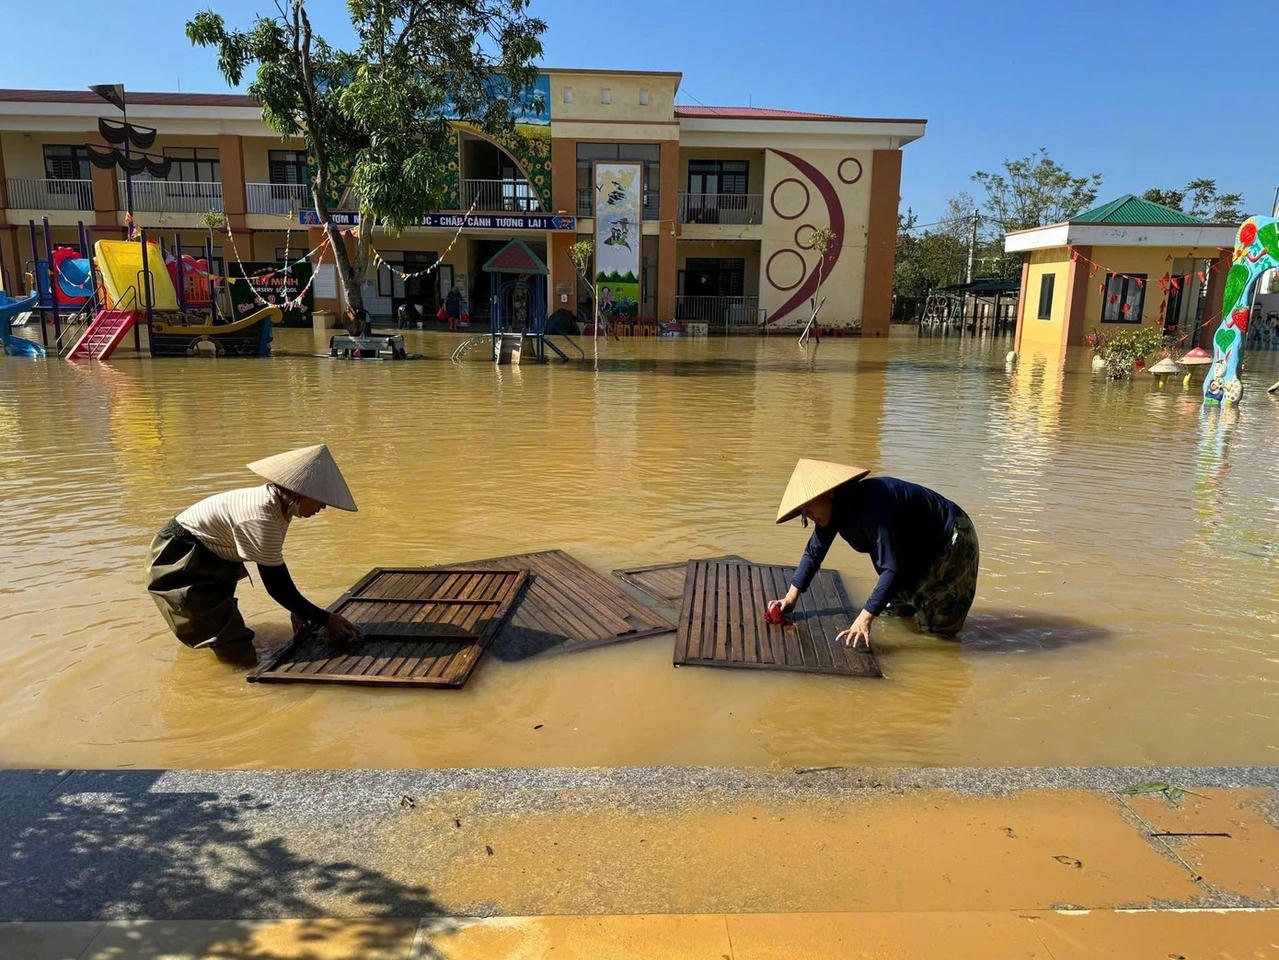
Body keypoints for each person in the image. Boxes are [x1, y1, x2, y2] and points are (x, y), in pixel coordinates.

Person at [144, 444, 363, 666]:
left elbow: (277, 569)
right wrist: (327, 619)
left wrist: (297, 608)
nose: (323, 507)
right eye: (321, 499)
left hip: (210, 555)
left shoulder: (279, 505)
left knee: (220, 625)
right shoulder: (262, 516)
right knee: (239, 655)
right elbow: (277, 586)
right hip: (181, 559)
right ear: (300, 493)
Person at [769, 459, 979, 648]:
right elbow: (813, 553)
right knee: (892, 615)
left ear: (829, 493)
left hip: (952, 538)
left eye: (809, 506)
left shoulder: (873, 507)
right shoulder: (832, 511)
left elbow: (891, 568)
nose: (808, 514)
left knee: (936, 633)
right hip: (914, 547)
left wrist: (864, 619)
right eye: (803, 512)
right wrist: (790, 597)